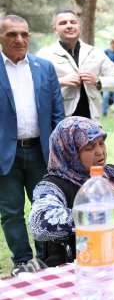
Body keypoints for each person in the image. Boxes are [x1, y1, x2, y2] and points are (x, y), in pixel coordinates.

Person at [28, 116, 114, 268]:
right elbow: (38, 224)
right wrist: (100, 214)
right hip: (90, 272)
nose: (100, 152)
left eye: (102, 143)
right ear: (69, 151)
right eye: (89, 147)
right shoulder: (52, 187)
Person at [0, 15, 65, 276]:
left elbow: (57, 115)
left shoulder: (44, 67)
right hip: (6, 154)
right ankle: (22, 262)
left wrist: (59, 153)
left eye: (24, 34)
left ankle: (46, 259)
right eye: (12, 34)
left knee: (45, 208)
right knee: (11, 211)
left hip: (41, 152)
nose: (19, 39)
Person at [37, 9, 114, 122]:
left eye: (73, 22)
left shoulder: (95, 53)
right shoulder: (45, 54)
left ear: (79, 26)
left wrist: (97, 81)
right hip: (59, 123)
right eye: (63, 23)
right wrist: (60, 82)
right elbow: (33, 85)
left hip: (91, 124)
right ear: (55, 29)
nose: (69, 26)